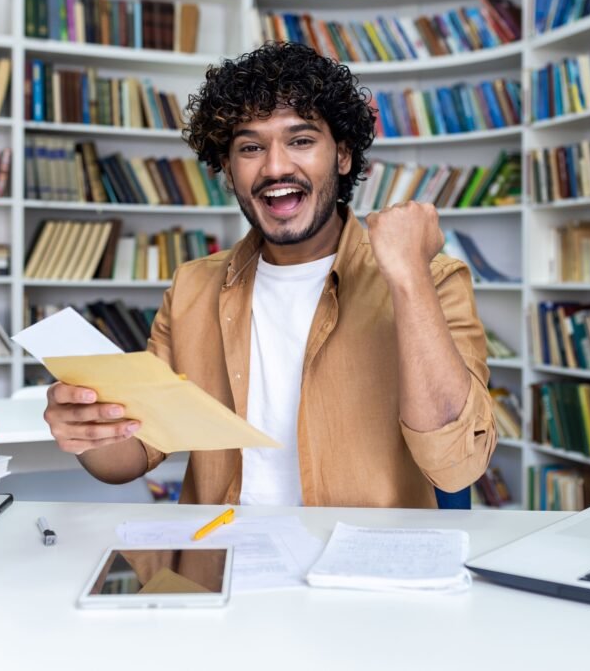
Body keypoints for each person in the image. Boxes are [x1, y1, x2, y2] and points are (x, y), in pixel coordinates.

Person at [43, 42, 496, 508]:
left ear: (342, 156)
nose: (276, 166)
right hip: (224, 563)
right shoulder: (192, 287)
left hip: (362, 573)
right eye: (251, 147)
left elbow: (454, 463)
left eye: (301, 140)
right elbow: (133, 454)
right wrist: (88, 427)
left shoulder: (432, 280)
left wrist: (408, 278)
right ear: (227, 171)